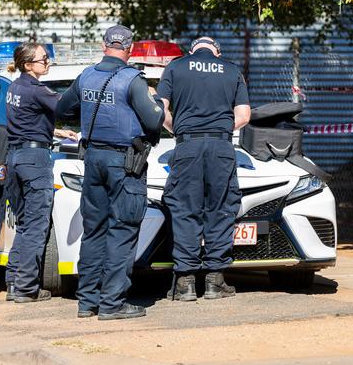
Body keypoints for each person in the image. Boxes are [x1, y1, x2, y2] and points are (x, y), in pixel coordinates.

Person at [56, 25, 164, 320]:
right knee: (123, 229)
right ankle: (112, 303)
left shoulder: (86, 76)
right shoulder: (132, 79)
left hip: (92, 160)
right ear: (130, 48)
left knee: (94, 230)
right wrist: (156, 102)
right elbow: (155, 121)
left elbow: (62, 109)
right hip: (124, 165)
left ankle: (87, 302)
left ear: (104, 45)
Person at [157, 36, 250, 301]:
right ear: (217, 53)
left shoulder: (176, 67)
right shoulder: (232, 70)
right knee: (220, 209)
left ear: (192, 51)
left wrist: (181, 130)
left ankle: (185, 283)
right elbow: (243, 115)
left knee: (186, 209)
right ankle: (214, 281)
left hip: (187, 146)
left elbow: (159, 110)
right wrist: (218, 129)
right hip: (221, 147)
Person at [4, 43, 77, 303]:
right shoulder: (37, 89)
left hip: (15, 157)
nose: (48, 62)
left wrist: (56, 131)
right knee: (36, 226)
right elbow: (67, 106)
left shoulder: (15, 86)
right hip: (34, 161)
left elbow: (26, 120)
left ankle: (14, 282)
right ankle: (26, 288)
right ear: (28, 65)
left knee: (24, 225)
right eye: (43, 59)